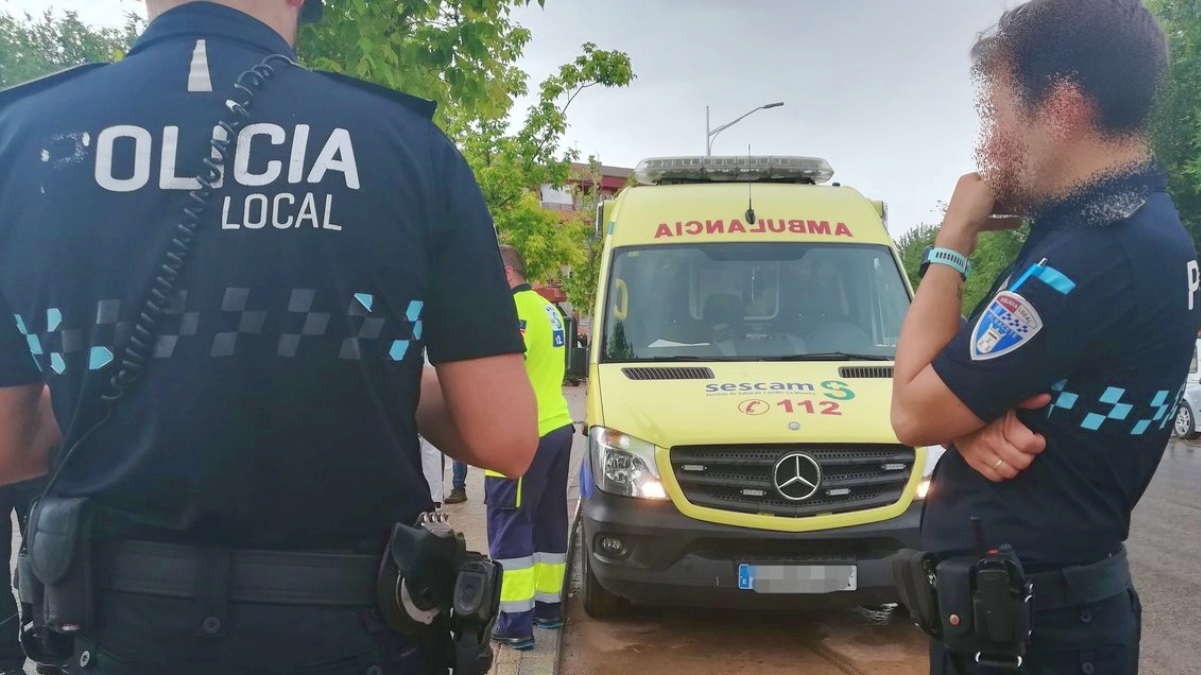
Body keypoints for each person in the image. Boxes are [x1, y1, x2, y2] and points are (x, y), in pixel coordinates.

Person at [0, 1, 538, 673]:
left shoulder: (19, 136)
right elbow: (504, 437)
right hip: (352, 634)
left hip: (116, 632)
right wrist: (359, 374)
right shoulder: (403, 141)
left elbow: (7, 441)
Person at [890, 1, 1198, 673]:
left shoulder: (1090, 256)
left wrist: (952, 240)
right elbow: (965, 384)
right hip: (1047, 621)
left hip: (1034, 638)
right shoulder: (1132, 225)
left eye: (999, 114)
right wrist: (967, 419)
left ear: (1061, 106)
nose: (988, 145)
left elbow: (912, 407)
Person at [486, 246, 574, 651]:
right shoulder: (548, 308)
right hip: (556, 425)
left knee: (510, 523)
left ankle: (515, 623)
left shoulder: (516, 310)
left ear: (506, 272)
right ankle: (548, 608)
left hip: (522, 434)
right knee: (548, 520)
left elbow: (504, 369)